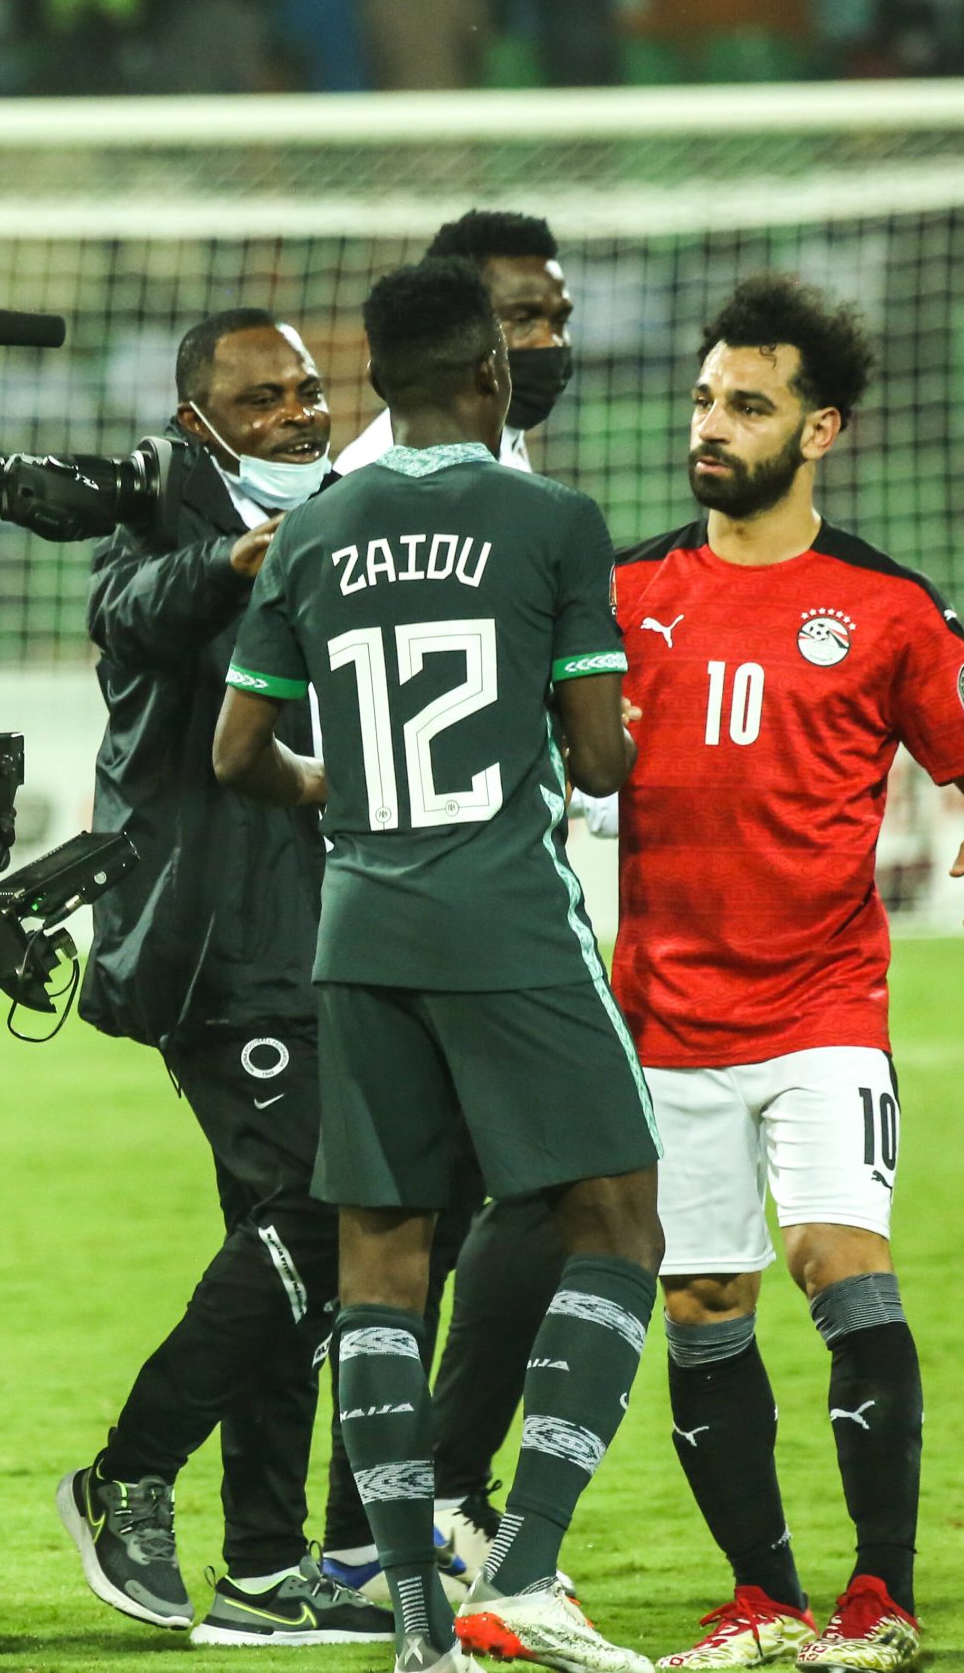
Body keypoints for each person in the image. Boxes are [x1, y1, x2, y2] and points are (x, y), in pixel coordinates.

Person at [212, 257, 660, 1673]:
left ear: (374, 382)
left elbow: (235, 752)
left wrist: (329, 791)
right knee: (619, 1219)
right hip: (507, 915)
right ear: (491, 374)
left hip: (360, 931)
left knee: (382, 1259)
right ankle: (521, 1566)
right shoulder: (550, 520)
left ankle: (415, 1621)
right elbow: (600, 760)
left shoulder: (314, 532)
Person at [619, 276, 964, 1673]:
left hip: (822, 1008)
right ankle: (762, 1598)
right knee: (702, 1302)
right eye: (703, 399)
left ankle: (881, 1595)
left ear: (821, 430)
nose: (710, 425)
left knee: (839, 1263)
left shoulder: (885, 606)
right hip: (662, 1015)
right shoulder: (625, 593)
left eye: (747, 405)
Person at [55, 307, 390, 1649]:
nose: (296, 414)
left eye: (306, 390)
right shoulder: (162, 514)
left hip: (333, 928)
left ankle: (262, 1566)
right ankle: (127, 1471)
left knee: (285, 1243)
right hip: (216, 941)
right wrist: (238, 554)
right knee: (316, 1213)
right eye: (261, 399)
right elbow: (126, 609)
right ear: (199, 420)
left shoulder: (352, 508)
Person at [328, 207, 582, 1595]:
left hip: (401, 908)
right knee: (550, 1201)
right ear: (467, 341)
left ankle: (393, 1535)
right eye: (523, 319)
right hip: (446, 911)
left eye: (557, 315)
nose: (548, 342)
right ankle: (418, 1520)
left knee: (416, 1226)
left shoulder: (496, 472)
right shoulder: (380, 492)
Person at [334, 211, 574, 478]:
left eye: (560, 320)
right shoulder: (385, 472)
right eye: (523, 319)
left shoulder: (501, 436)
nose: (552, 342)